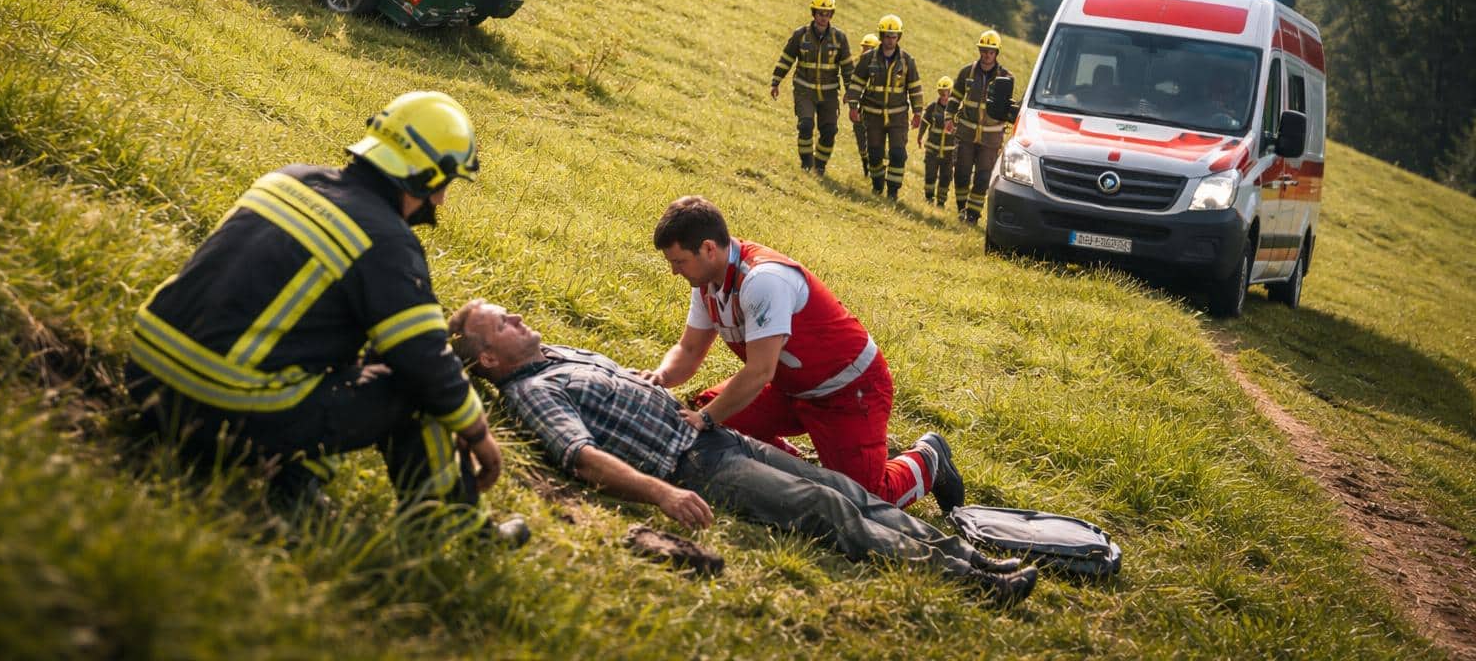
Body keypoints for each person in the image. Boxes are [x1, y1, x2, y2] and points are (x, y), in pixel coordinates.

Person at [450, 300, 1037, 607]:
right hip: (695, 466)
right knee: (822, 507)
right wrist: (663, 492)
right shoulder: (533, 390)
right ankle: (969, 581)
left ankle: (971, 558)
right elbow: (578, 457)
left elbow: (629, 387)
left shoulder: (556, 355)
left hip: (714, 435)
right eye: (502, 324)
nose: (518, 318)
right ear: (491, 361)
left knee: (847, 490)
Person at [125, 91, 504, 520]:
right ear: (426, 177)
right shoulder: (386, 241)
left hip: (145, 375)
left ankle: (296, 480)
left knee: (344, 347)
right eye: (445, 185)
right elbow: (425, 362)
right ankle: (453, 531)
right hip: (217, 411)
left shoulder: (287, 178)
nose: (439, 202)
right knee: (419, 390)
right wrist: (476, 431)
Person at [643, 196, 963, 514]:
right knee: (713, 419)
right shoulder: (707, 283)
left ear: (709, 248)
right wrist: (661, 377)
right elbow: (689, 349)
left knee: (866, 499)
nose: (674, 271)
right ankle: (805, 469)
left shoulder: (762, 280)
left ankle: (928, 460)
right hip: (791, 388)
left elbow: (758, 372)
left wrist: (708, 418)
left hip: (849, 392)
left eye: (679, 261)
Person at [770, 0, 855, 175]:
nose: (823, 18)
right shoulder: (800, 35)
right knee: (806, 126)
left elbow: (848, 67)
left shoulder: (840, 38)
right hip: (804, 90)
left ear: (831, 15)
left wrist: (851, 91)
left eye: (827, 14)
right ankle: (806, 163)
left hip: (829, 93)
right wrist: (776, 81)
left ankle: (820, 165)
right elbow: (786, 58)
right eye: (820, 13)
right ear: (813, 13)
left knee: (830, 131)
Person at [846, 14, 923, 198]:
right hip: (873, 116)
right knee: (875, 154)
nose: (890, 40)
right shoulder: (868, 59)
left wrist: (918, 111)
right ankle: (877, 186)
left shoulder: (907, 61)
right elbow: (856, 83)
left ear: (899, 37)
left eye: (893, 36)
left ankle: (893, 192)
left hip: (898, 117)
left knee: (897, 154)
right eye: (887, 36)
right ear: (881, 36)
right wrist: (853, 106)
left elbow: (915, 88)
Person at [946, 30, 1014, 225]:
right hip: (966, 133)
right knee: (961, 172)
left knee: (983, 177)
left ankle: (973, 216)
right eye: (983, 50)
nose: (986, 55)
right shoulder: (966, 72)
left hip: (991, 138)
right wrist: (948, 117)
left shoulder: (1006, 78)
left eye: (991, 51)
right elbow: (955, 97)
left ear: (996, 53)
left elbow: (1008, 106)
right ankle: (961, 209)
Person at [917, 76, 957, 208]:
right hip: (932, 149)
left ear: (951, 92)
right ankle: (928, 198)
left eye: (946, 92)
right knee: (930, 175)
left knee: (946, 178)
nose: (944, 95)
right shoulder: (932, 108)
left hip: (948, 152)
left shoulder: (956, 111)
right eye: (941, 92)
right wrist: (920, 136)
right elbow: (924, 122)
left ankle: (941, 202)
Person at [851, 32, 880, 178]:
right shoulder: (857, 63)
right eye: (864, 48)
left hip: (874, 110)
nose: (865, 51)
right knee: (860, 138)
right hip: (859, 108)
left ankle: (876, 167)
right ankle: (865, 165)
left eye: (869, 48)